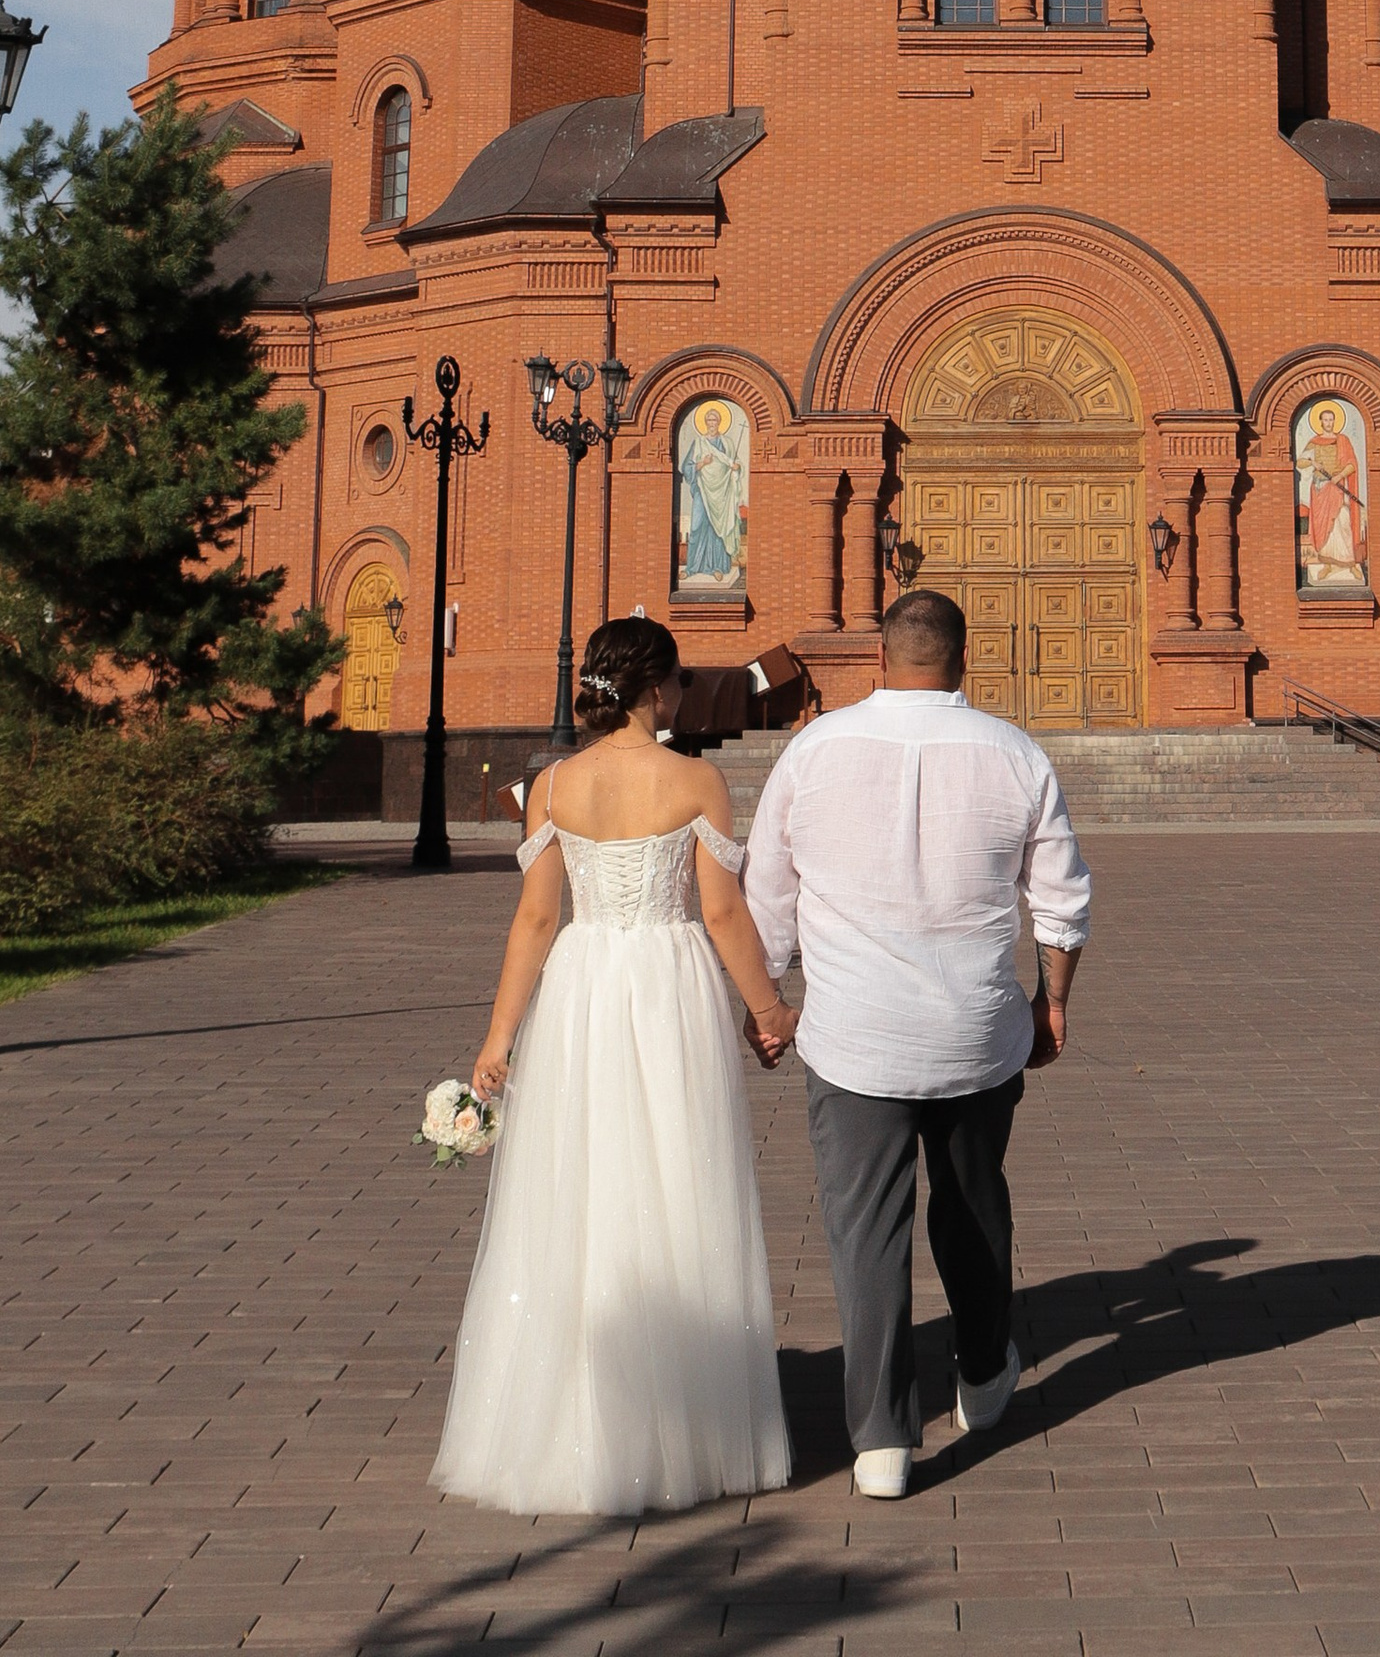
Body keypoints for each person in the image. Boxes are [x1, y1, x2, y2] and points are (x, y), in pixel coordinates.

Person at [432, 616, 796, 1521]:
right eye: (675, 681)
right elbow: (721, 916)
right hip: (666, 987)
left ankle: (563, 1425)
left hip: (583, 987)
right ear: (658, 689)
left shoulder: (550, 786)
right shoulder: (696, 780)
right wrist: (768, 1011)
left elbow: (534, 922)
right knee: (674, 1180)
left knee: (578, 1187)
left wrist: (497, 1039)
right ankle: (684, 1425)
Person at [743, 585, 1092, 1500]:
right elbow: (1060, 900)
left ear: (878, 663)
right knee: (975, 1207)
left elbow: (768, 892)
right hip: (977, 1032)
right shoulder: (1015, 753)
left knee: (866, 1233)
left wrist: (766, 1001)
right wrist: (1052, 1002)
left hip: (852, 1034)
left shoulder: (813, 750)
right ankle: (981, 1369)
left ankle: (882, 1442)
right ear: (964, 662)